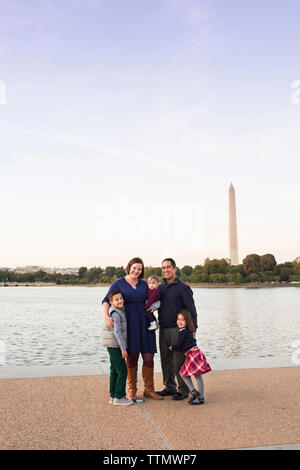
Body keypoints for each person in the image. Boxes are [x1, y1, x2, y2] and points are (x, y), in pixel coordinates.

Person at [102, 257, 163, 402]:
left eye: (140, 269)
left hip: (146, 323)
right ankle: (132, 390)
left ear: (142, 271)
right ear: (129, 267)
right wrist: (106, 317)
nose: (136, 271)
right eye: (134, 267)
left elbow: (155, 295)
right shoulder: (119, 283)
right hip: (129, 325)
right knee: (132, 357)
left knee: (149, 356)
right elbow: (106, 300)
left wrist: (156, 305)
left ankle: (149, 389)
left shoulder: (144, 284)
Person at [156, 258, 198, 400]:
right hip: (163, 329)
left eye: (168, 267)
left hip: (178, 330)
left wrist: (193, 330)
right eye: (163, 268)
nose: (166, 270)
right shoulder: (160, 287)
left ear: (175, 269)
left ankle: (183, 389)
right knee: (165, 359)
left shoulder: (183, 288)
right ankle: (169, 386)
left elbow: (191, 310)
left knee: (178, 360)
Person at [169, 309, 211, 405]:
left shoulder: (183, 332)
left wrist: (172, 347)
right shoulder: (189, 330)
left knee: (187, 374)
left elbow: (179, 345)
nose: (180, 322)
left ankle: (198, 395)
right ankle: (196, 393)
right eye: (178, 319)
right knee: (191, 375)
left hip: (192, 354)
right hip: (194, 353)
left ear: (187, 321)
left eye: (182, 320)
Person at [101, 287, 133, 406]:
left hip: (111, 344)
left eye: (121, 298)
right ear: (111, 302)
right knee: (122, 370)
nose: (120, 301)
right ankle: (119, 396)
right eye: (116, 299)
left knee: (114, 370)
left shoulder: (118, 311)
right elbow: (117, 332)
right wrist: (123, 348)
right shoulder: (116, 314)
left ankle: (113, 395)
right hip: (115, 345)